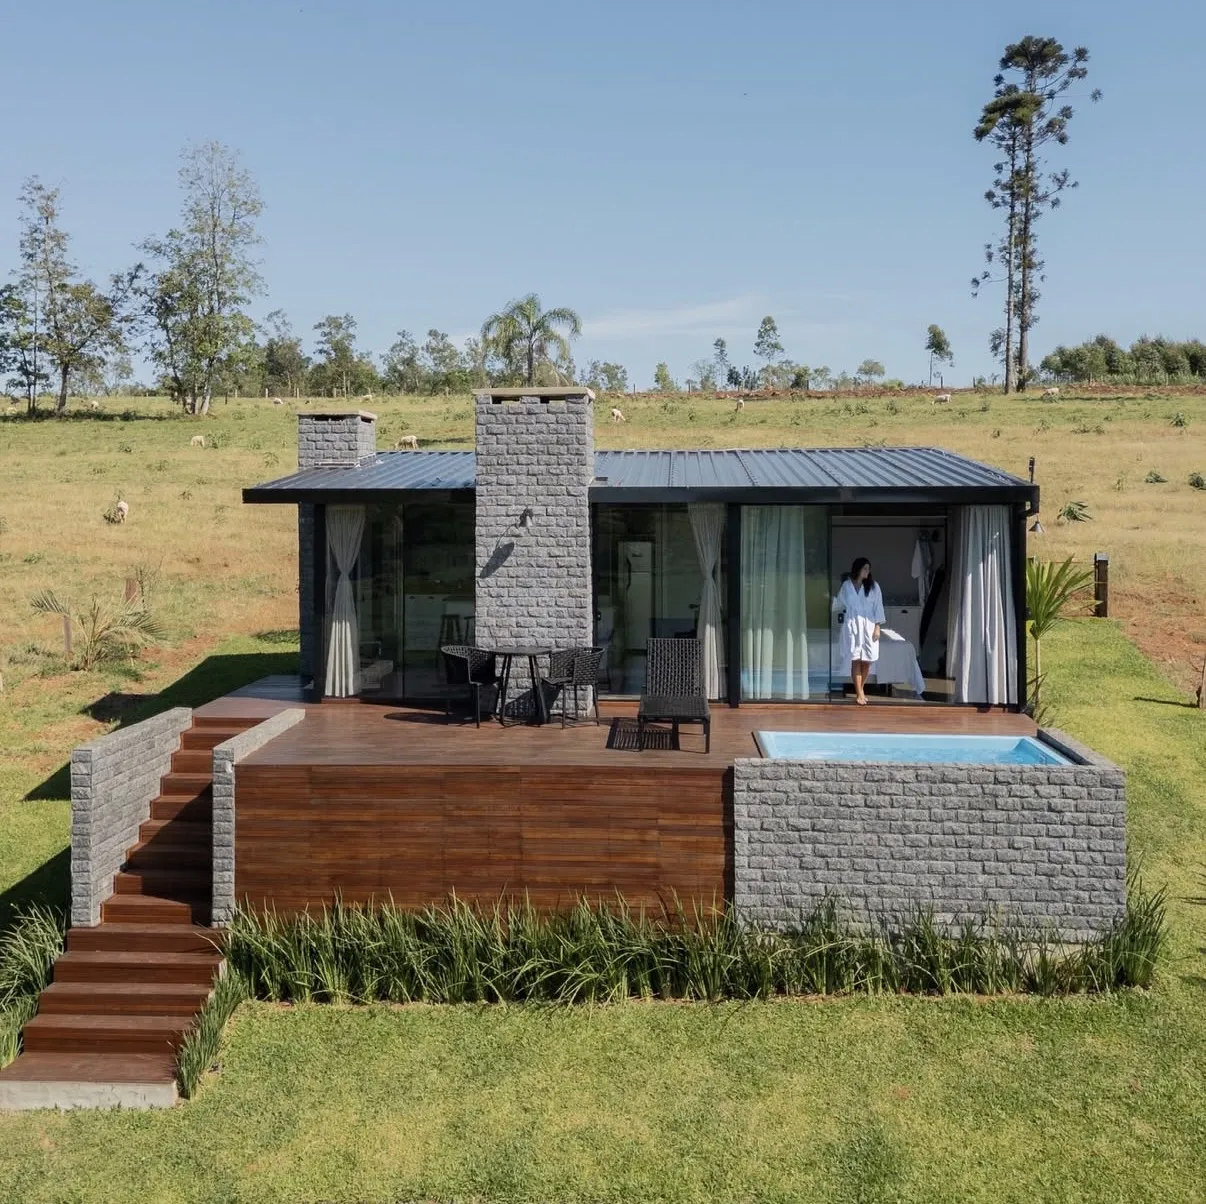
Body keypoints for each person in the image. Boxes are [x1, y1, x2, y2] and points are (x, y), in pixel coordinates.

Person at [834, 557, 885, 706]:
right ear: (858, 569)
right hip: (853, 626)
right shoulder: (846, 586)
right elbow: (839, 603)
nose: (868, 572)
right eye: (865, 569)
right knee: (855, 659)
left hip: (869, 626)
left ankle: (861, 688)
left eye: (869, 569)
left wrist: (877, 628)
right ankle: (859, 693)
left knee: (867, 661)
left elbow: (878, 608)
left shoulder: (874, 587)